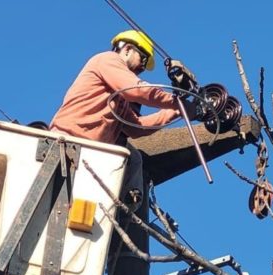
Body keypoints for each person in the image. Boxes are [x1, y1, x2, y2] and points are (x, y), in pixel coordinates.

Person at [49, 29, 196, 207]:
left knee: (132, 157)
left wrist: (179, 111)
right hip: (67, 140)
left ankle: (126, 208)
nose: (142, 67)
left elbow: (137, 127)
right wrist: (175, 101)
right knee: (130, 155)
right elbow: (138, 90)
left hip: (89, 152)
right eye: (142, 59)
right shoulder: (107, 60)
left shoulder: (118, 98)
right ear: (127, 49)